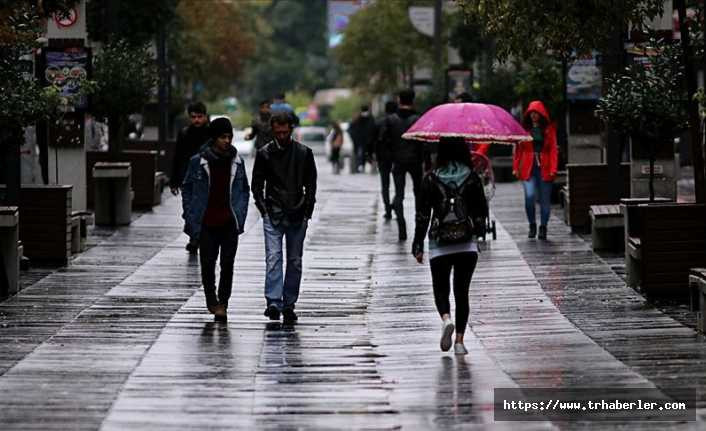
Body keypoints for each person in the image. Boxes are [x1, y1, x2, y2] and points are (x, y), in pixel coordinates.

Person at [412, 137, 488, 355]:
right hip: (466, 242)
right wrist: (479, 234)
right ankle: (460, 342)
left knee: (440, 287)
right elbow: (481, 211)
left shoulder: (430, 178)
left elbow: (422, 215)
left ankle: (446, 319)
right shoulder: (472, 177)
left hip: (439, 241)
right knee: (462, 292)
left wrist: (417, 244)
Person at [181, 117, 250, 322]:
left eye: (229, 137)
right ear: (214, 138)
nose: (227, 141)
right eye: (222, 137)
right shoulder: (198, 161)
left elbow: (244, 190)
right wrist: (190, 214)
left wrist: (241, 215)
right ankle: (211, 300)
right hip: (206, 222)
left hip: (229, 221)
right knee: (208, 264)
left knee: (227, 264)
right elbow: (187, 188)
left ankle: (223, 302)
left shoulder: (237, 162)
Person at [252, 112, 317, 324]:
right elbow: (256, 185)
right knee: (274, 258)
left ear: (291, 129)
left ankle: (288, 303)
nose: (281, 135)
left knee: (294, 261)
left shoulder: (304, 153)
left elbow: (311, 185)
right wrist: (264, 210)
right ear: (273, 129)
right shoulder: (265, 154)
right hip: (274, 211)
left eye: (284, 131)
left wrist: (307, 211)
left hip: (296, 213)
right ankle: (274, 302)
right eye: (277, 131)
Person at [379, 89, 423, 241]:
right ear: (413, 100)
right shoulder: (418, 119)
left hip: (398, 161)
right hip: (416, 161)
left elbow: (383, 141)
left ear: (399, 100)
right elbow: (423, 142)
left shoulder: (390, 120)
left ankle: (402, 228)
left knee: (399, 194)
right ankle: (419, 225)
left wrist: (389, 157)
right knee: (419, 193)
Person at [512, 100, 558, 240]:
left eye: (536, 113)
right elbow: (518, 150)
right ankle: (532, 224)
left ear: (541, 114)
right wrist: (515, 167)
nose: (533, 115)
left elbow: (553, 150)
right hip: (528, 168)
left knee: (545, 200)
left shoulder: (549, 130)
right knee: (529, 196)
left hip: (544, 168)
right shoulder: (524, 129)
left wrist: (553, 169)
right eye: (531, 113)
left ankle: (543, 227)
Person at [171, 101, 210, 253]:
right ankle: (194, 237)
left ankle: (198, 237)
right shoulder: (185, 133)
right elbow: (178, 156)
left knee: (203, 210)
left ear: (205, 116)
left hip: (206, 178)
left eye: (200, 117)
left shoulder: (211, 133)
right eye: (193, 117)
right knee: (189, 209)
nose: (197, 120)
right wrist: (174, 181)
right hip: (188, 177)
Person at [375, 101, 398, 219]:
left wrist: (371, 154)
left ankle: (387, 209)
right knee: (399, 185)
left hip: (383, 157)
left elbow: (373, 140)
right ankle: (395, 204)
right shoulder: (399, 122)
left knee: (385, 185)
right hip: (397, 157)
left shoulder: (379, 122)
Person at [348, 105, 376, 173]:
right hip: (368, 141)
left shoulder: (357, 119)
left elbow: (351, 129)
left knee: (359, 154)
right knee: (368, 154)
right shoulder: (371, 118)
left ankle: (359, 167)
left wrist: (354, 138)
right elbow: (374, 129)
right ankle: (370, 167)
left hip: (360, 141)